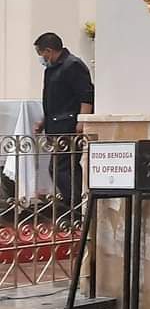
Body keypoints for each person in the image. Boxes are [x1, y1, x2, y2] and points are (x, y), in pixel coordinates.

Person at [33, 33, 93, 212]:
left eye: (41, 53)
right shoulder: (52, 68)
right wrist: (43, 122)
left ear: (49, 51)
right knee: (61, 168)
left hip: (68, 125)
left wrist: (82, 120)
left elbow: (86, 95)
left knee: (62, 169)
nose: (41, 58)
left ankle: (75, 207)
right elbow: (54, 101)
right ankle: (72, 205)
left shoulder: (73, 65)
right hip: (55, 124)